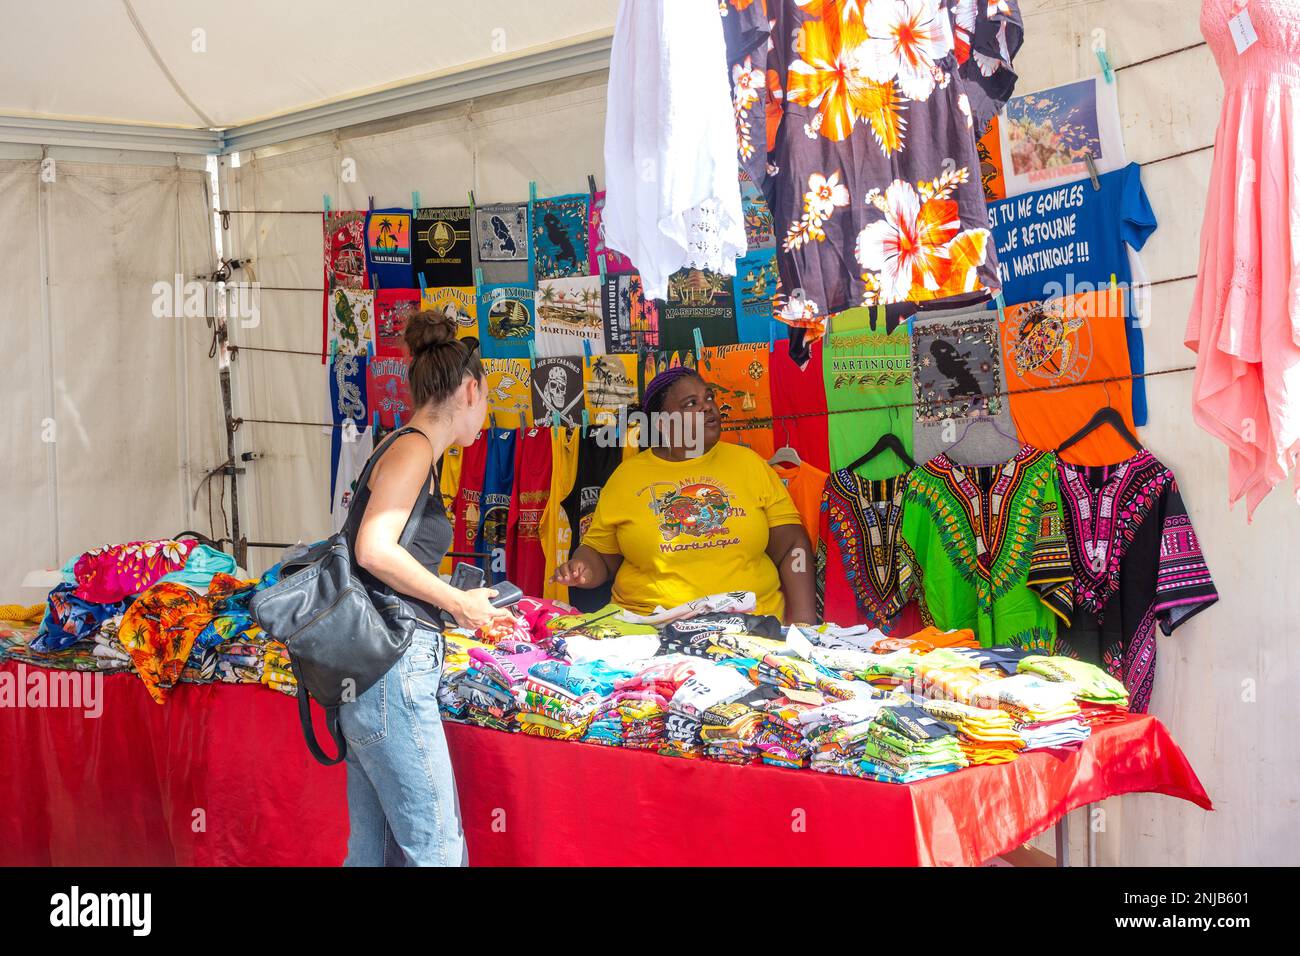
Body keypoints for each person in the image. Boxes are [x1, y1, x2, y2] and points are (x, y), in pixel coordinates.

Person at [343, 311, 514, 866]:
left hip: (373, 670)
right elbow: (374, 547)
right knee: (436, 851)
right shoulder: (415, 448)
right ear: (470, 390)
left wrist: (454, 602)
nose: (485, 414)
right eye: (486, 398)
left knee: (376, 852)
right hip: (389, 670)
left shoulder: (408, 447)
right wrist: (456, 600)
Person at [552, 366, 817, 623]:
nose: (707, 406)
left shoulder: (749, 464)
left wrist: (805, 624)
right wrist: (582, 568)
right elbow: (600, 555)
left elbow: (793, 546)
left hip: (751, 624)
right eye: (690, 403)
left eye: (709, 397)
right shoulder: (627, 477)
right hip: (650, 627)